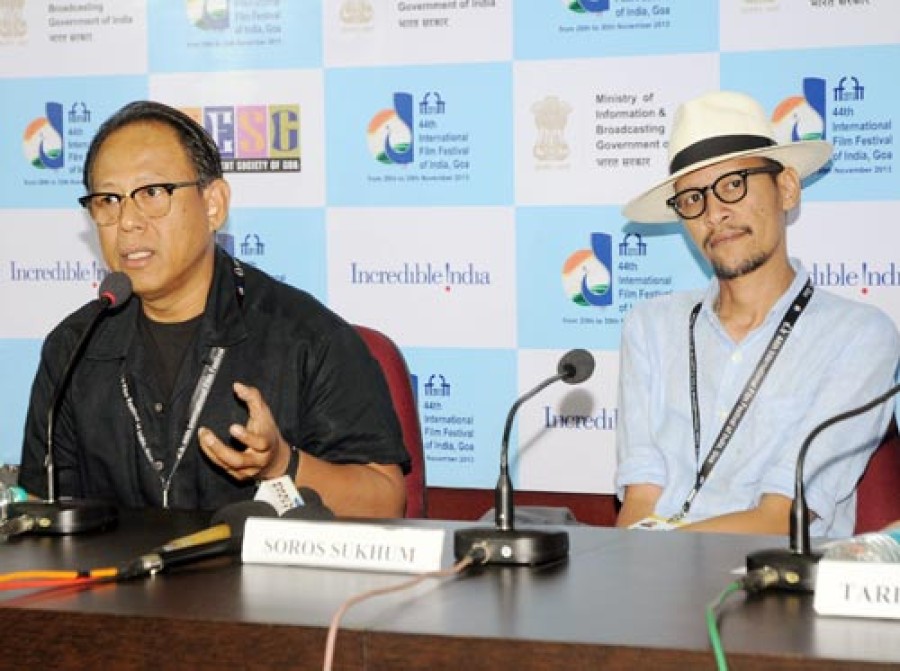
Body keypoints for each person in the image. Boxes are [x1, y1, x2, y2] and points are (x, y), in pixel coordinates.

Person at [18, 100, 408, 517]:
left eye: (152, 193)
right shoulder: (74, 348)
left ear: (213, 204)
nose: (127, 221)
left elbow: (386, 500)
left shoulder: (307, 338)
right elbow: (44, 510)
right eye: (109, 200)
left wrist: (282, 464)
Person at [614, 90, 899, 538]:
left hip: (772, 575)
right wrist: (631, 565)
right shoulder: (650, 326)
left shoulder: (859, 335)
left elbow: (783, 517)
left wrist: (657, 552)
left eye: (733, 185)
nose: (715, 213)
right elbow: (639, 501)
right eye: (692, 198)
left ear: (786, 188)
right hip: (652, 571)